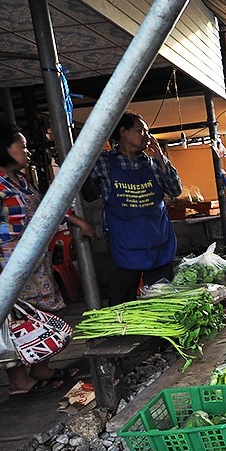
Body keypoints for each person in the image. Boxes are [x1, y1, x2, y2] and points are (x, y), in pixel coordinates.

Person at [0, 122, 95, 396]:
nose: (27, 151)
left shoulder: (17, 180)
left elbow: (45, 207)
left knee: (44, 317)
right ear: (2, 148)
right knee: (14, 325)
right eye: (21, 146)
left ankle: (41, 368)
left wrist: (77, 220)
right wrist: (1, 285)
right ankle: (19, 381)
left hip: (34, 267)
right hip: (4, 269)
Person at [85, 111, 182, 306]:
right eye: (141, 131)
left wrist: (161, 159)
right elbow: (89, 195)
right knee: (123, 299)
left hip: (157, 239)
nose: (147, 137)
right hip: (124, 241)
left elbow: (175, 190)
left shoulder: (154, 163)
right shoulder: (103, 162)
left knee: (161, 298)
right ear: (124, 132)